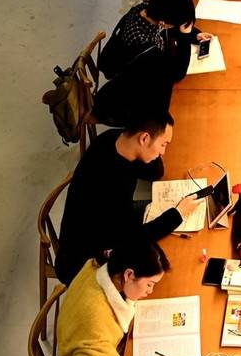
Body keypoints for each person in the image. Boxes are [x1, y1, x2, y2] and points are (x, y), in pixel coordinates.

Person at [50, 238, 186, 356]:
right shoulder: (95, 316)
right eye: (149, 284)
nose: (151, 291)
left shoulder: (99, 266)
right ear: (129, 274)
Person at [55, 111, 201, 285]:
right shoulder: (106, 183)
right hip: (85, 261)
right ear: (144, 138)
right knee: (163, 271)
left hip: (113, 227)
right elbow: (131, 240)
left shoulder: (117, 139)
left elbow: (155, 172)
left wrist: (151, 151)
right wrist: (177, 215)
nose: (163, 152)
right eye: (163, 144)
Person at [93, 0, 211, 125]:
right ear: (163, 23)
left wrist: (193, 34)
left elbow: (168, 29)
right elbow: (177, 73)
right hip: (130, 102)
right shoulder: (144, 46)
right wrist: (185, 37)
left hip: (135, 75)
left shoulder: (146, 9)